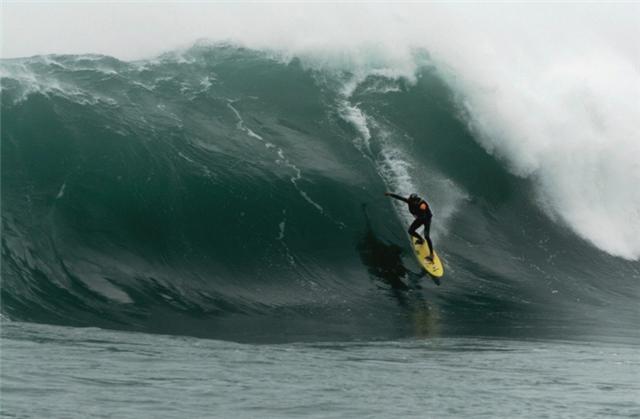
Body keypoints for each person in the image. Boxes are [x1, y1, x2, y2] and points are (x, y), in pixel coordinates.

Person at [385, 192, 435, 261]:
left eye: (412, 200)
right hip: (420, 219)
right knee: (410, 231)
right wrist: (390, 194)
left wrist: (421, 213)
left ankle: (431, 255)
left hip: (426, 219)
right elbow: (400, 198)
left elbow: (424, 211)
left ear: (416, 200)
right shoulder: (409, 201)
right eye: (410, 199)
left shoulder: (422, 204)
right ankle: (421, 240)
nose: (410, 200)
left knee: (427, 236)